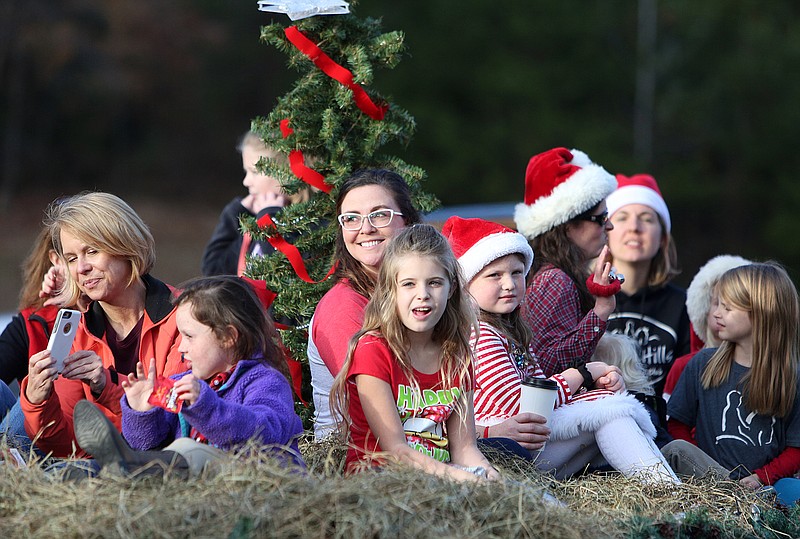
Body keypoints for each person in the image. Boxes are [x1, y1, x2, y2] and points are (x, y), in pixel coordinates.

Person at [443, 216, 678, 483]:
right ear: (466, 283)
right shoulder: (480, 334)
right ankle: (667, 491)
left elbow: (537, 392)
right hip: (502, 453)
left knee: (610, 410)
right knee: (611, 411)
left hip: (529, 444)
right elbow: (519, 404)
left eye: (516, 273)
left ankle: (667, 491)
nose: (508, 284)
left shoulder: (508, 331)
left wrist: (590, 389)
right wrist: (585, 373)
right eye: (494, 275)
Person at [73, 276, 304, 477]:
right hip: (199, 488)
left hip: (253, 482)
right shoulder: (187, 381)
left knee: (185, 449)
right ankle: (85, 472)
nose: (181, 347)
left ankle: (125, 467)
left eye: (189, 336)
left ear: (228, 337)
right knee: (160, 458)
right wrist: (142, 412)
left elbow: (264, 432)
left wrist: (206, 407)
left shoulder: (265, 382)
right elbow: (147, 443)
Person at [20, 192, 184, 457]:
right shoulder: (79, 332)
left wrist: (105, 385)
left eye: (91, 251)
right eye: (72, 259)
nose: (81, 268)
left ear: (125, 245)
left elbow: (178, 412)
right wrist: (37, 400)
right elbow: (67, 447)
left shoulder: (182, 315)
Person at [330, 224, 500, 482]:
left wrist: (494, 481)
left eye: (434, 283)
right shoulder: (373, 351)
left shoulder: (456, 355)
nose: (423, 295)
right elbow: (397, 451)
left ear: (451, 288)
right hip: (381, 482)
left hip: (444, 480)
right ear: (391, 290)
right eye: (409, 284)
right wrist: (462, 478)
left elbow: (465, 448)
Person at [663, 263, 800, 489]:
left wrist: (760, 478)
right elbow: (677, 426)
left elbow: (796, 449)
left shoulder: (792, 377)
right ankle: (731, 495)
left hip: (763, 487)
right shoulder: (702, 363)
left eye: (727, 308)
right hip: (708, 483)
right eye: (717, 304)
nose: (716, 313)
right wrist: (702, 472)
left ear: (762, 313)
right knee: (674, 450)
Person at [308, 169, 421, 440]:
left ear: (407, 222)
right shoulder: (343, 305)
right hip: (360, 453)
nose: (365, 228)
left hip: (427, 440)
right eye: (351, 219)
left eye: (380, 215)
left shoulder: (422, 292)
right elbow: (371, 402)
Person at [514, 147, 618, 377]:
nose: (609, 225)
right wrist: (600, 312)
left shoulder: (552, 272)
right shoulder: (554, 279)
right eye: (600, 218)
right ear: (567, 225)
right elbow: (546, 366)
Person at [605, 173, 690, 398]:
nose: (635, 227)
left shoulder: (684, 305)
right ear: (605, 233)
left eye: (647, 218)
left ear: (662, 237)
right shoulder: (584, 299)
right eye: (622, 217)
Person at [201, 131, 311, 277]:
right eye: (246, 172)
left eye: (254, 172)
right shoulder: (255, 217)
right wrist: (236, 214)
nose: (246, 181)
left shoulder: (310, 222)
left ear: (288, 172)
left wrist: (270, 219)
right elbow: (213, 269)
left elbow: (286, 269)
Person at [662, 254, 751, 403]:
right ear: (704, 308)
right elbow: (672, 423)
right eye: (717, 302)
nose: (720, 312)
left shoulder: (768, 367)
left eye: (732, 304)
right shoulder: (685, 366)